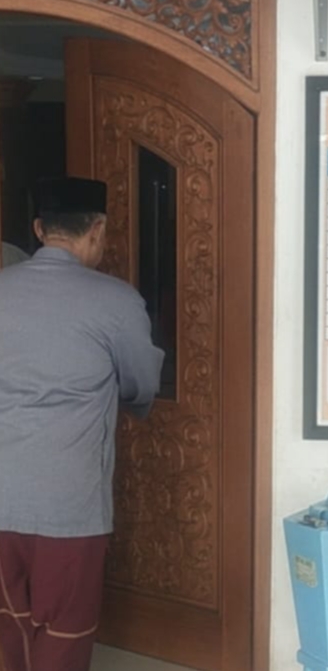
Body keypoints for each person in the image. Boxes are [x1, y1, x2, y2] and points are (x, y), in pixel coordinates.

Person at [0, 177, 164, 671]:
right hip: (68, 505)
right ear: (97, 231)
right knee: (63, 632)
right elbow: (141, 383)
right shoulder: (116, 301)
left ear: (38, 229)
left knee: (9, 628)